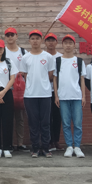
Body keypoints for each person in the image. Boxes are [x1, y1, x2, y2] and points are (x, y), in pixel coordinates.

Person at [18, 30, 55, 158]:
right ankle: (35, 148)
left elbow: (50, 74)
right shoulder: (25, 57)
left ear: (41, 41)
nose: (35, 41)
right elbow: (24, 74)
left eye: (37, 38)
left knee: (45, 122)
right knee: (33, 123)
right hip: (30, 95)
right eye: (32, 38)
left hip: (45, 94)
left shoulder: (48, 57)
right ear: (29, 41)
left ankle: (45, 147)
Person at [53, 35, 86, 158]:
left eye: (70, 43)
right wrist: (56, 96)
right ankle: (69, 146)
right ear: (62, 45)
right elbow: (55, 79)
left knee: (77, 123)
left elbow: (82, 80)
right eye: (65, 43)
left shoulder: (79, 61)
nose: (68, 45)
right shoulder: (58, 61)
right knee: (66, 123)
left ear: (74, 45)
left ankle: (77, 146)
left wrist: (83, 96)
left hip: (77, 96)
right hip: (62, 97)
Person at [4, 27, 28, 152]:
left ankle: (19, 143)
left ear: (16, 36)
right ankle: (9, 143)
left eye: (12, 35)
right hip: (6, 89)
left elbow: (28, 69)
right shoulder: (3, 52)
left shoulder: (23, 52)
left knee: (20, 118)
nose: (10, 37)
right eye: (7, 35)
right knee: (8, 118)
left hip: (20, 89)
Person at [45, 33, 63, 151]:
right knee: (48, 117)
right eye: (48, 40)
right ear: (45, 42)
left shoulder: (61, 57)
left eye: (53, 40)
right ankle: (49, 140)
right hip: (45, 91)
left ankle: (56, 140)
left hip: (59, 91)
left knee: (57, 117)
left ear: (56, 43)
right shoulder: (43, 56)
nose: (51, 42)